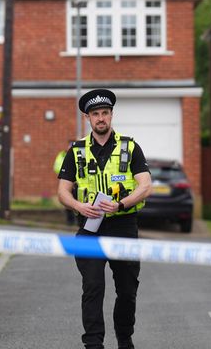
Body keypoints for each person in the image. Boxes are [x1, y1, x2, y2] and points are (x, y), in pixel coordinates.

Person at [57, 89, 152, 349]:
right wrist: (79, 206)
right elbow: (62, 191)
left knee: (127, 289)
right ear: (87, 118)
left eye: (105, 113)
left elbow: (145, 185)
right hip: (90, 228)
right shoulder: (76, 151)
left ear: (111, 115)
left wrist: (121, 203)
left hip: (123, 225)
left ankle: (124, 338)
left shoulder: (130, 147)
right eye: (96, 114)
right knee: (93, 286)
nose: (101, 118)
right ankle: (93, 344)